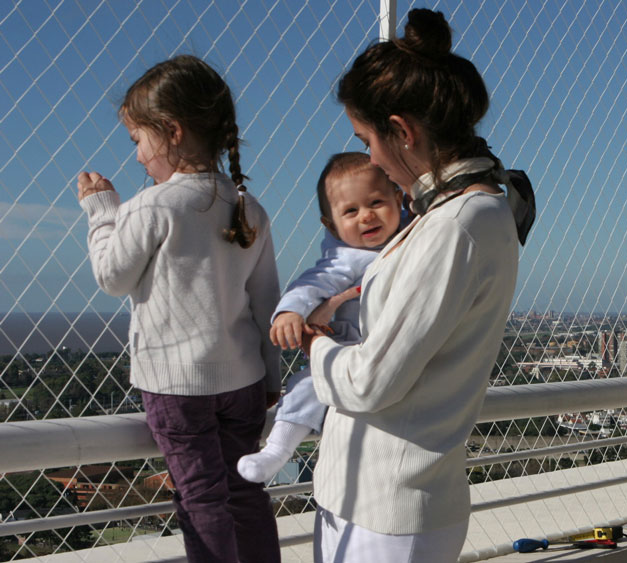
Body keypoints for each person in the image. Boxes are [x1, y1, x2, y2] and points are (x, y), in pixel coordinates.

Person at [301, 8, 534, 562]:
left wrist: (315, 343)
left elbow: (369, 382)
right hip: (373, 500)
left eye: (367, 139)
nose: (370, 158)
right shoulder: (462, 213)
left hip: (389, 509)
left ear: (402, 131)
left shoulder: (457, 224)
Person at [76, 55, 281, 563]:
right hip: (245, 381)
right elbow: (267, 304)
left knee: (201, 500)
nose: (137, 156)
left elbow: (112, 276)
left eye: (138, 140)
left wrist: (102, 213)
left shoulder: (152, 206)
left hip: (177, 385)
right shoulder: (248, 207)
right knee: (245, 493)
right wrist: (271, 377)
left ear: (171, 131)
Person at [237, 152, 404, 484]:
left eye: (376, 202)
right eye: (351, 211)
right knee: (307, 384)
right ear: (331, 225)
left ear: (399, 200)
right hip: (350, 347)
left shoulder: (415, 237)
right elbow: (314, 282)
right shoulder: (347, 258)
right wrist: (291, 311)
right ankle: (277, 450)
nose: (367, 216)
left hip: (395, 348)